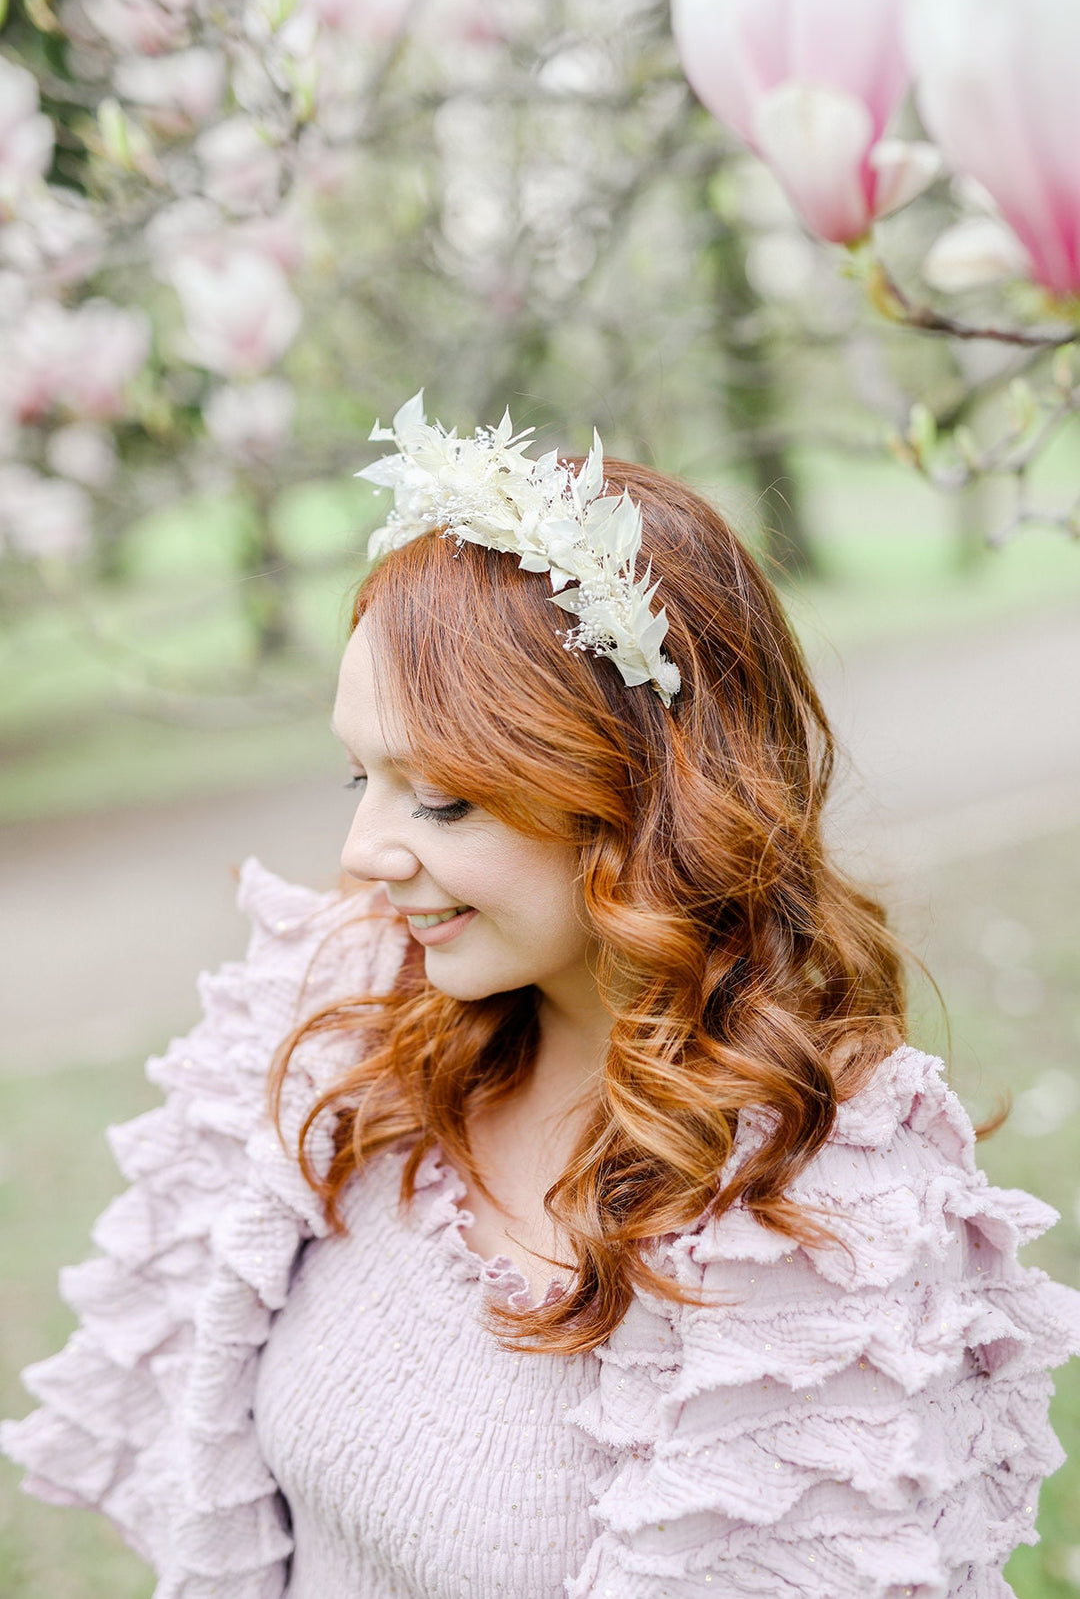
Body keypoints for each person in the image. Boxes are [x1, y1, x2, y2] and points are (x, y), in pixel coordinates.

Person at [4, 393, 1079, 1599]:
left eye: (442, 800)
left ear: (647, 798)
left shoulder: (809, 1223)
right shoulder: (347, 1028)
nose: (363, 854)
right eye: (359, 773)